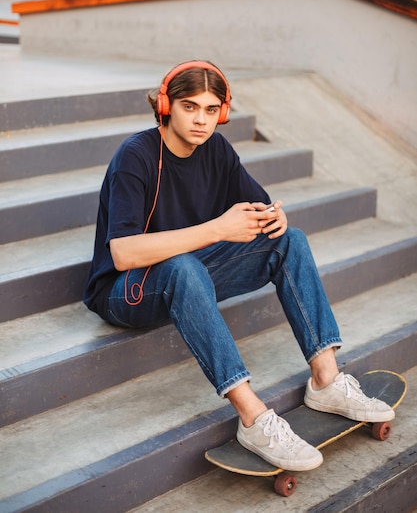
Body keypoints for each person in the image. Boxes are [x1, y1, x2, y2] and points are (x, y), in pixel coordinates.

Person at [83, 60, 394, 472]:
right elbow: (123, 254)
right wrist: (216, 229)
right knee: (183, 268)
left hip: (188, 274)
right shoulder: (136, 156)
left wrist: (274, 218)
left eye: (211, 110)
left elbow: (258, 209)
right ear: (166, 106)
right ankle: (253, 417)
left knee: (290, 241)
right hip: (127, 291)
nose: (201, 120)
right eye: (190, 107)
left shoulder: (217, 150)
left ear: (222, 113)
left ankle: (326, 380)